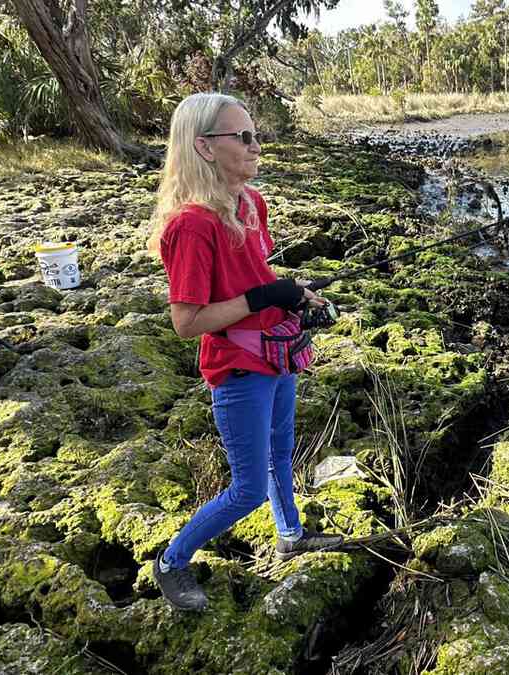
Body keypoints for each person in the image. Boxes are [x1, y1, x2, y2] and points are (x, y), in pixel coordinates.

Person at [147, 93, 343, 612]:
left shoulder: (251, 204)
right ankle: (171, 562)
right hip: (237, 371)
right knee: (249, 488)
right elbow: (187, 322)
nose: (257, 147)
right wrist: (263, 297)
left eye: (256, 135)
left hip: (277, 357)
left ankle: (290, 535)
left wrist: (296, 295)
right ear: (204, 147)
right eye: (244, 137)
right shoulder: (191, 225)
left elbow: (253, 280)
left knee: (282, 457)